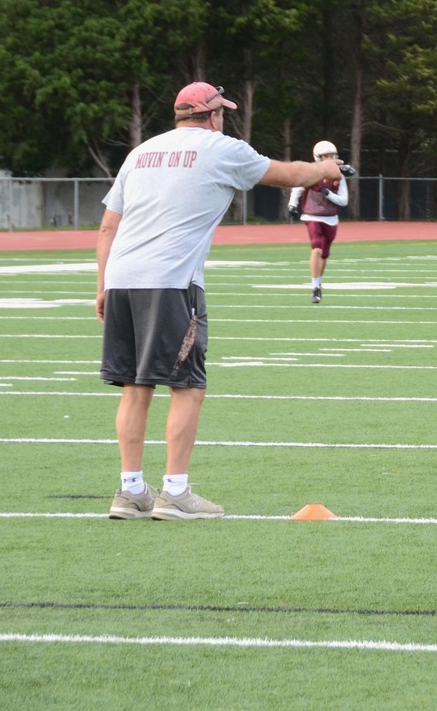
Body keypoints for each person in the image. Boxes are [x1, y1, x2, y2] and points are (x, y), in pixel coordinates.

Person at [98, 82, 344, 521]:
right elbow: (289, 175)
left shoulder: (141, 152)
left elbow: (107, 227)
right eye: (222, 112)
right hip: (171, 281)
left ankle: (130, 491)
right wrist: (325, 167)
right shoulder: (219, 147)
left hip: (121, 278)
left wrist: (102, 284)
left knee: (136, 387)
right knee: (188, 386)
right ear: (212, 115)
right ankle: (175, 492)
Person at [287, 139, 350, 304]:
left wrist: (327, 193)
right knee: (316, 248)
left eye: (331, 155)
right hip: (312, 215)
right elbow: (299, 186)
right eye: (325, 156)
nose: (329, 158)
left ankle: (318, 283)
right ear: (318, 158)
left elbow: (344, 200)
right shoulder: (312, 172)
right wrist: (292, 204)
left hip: (331, 217)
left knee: (325, 253)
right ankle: (315, 287)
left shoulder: (339, 175)